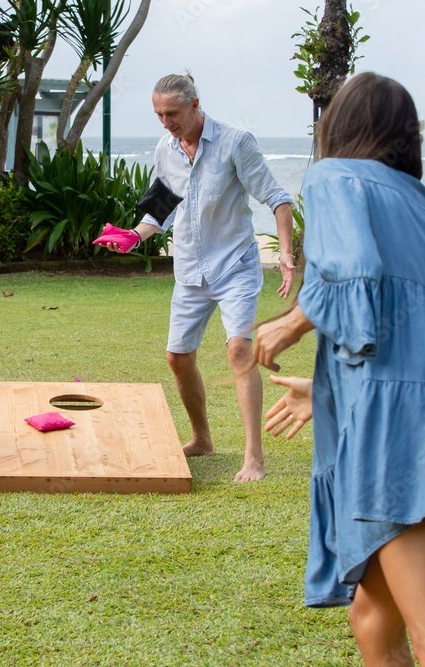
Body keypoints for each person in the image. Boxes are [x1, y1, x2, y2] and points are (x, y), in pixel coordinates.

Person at [253, 72, 425, 665]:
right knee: (372, 617)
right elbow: (407, 319)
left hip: (405, 418)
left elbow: (356, 274)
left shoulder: (333, 176)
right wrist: (330, 391)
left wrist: (288, 324)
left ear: (336, 125)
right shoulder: (420, 203)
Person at [106, 73, 296, 482]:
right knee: (177, 357)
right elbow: (160, 208)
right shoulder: (165, 148)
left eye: (172, 113)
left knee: (238, 352)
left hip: (234, 268)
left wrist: (284, 252)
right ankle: (202, 438)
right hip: (190, 269)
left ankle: (253, 457)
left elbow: (278, 200)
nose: (165, 122)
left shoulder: (235, 142)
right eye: (158, 114)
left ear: (195, 105)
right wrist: (131, 238)